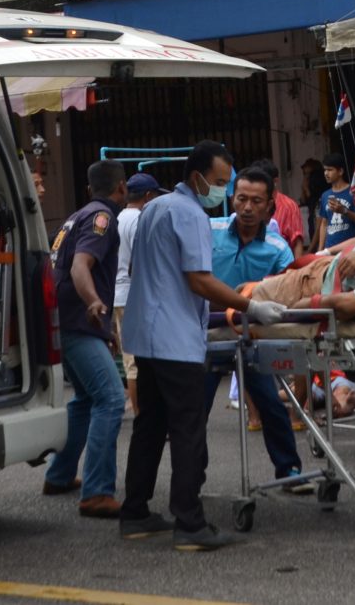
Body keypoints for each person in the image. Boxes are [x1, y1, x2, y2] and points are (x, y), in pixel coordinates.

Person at [118, 140, 287, 552]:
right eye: (220, 183)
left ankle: (136, 512)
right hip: (175, 338)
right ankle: (190, 523)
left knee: (151, 425)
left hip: (147, 332)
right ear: (197, 178)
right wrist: (252, 307)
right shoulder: (191, 213)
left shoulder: (154, 207)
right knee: (188, 429)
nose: (225, 194)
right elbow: (199, 280)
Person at [204, 167, 312, 492]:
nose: (247, 207)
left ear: (269, 207)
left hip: (252, 339)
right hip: (206, 335)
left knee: (271, 405)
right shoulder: (209, 231)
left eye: (256, 201)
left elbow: (288, 294)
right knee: (192, 412)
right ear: (232, 199)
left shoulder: (279, 250)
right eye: (241, 199)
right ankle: (190, 480)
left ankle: (290, 472)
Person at [42, 160, 128, 519]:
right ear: (121, 188)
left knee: (84, 400)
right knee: (110, 399)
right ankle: (96, 493)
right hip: (79, 321)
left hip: (66, 322)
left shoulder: (77, 215)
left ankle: (60, 475)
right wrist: (94, 302)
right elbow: (80, 266)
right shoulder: (101, 219)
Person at [113, 173, 166, 418]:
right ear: (148, 196)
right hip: (134, 296)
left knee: (131, 359)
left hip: (117, 295)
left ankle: (141, 413)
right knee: (137, 362)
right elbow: (140, 263)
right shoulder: (140, 219)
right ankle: (141, 414)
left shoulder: (118, 218)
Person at [250, 159, 305, 259]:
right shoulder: (248, 204)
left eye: (262, 181)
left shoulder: (289, 206)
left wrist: (297, 271)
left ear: (275, 181)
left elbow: (297, 242)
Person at [316, 154, 355, 251]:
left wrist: (344, 211)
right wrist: (320, 249)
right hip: (330, 249)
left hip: (349, 248)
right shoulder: (325, 195)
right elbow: (324, 223)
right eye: (325, 170)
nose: (326, 173)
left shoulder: (353, 192)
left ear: (340, 171)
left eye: (330, 170)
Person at [301, 157, 330, 247]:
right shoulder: (309, 181)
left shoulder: (317, 180)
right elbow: (303, 200)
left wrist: (311, 249)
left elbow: (319, 228)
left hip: (316, 207)